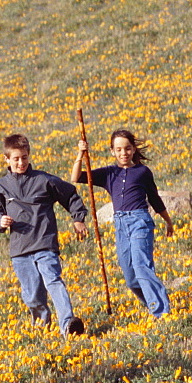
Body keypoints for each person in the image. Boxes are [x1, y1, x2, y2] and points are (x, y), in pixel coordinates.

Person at [0, 133, 88, 335]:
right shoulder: (2, 186)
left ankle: (68, 325)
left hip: (45, 243)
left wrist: (78, 219)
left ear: (29, 155)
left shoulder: (44, 180)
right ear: (6, 159)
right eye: (16, 159)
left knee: (54, 281)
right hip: (20, 250)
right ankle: (42, 327)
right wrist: (0, 221)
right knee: (32, 295)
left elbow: (70, 195)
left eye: (24, 157)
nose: (21, 162)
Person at [71, 129, 174, 318]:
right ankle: (152, 304)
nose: (123, 153)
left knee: (142, 266)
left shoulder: (142, 171)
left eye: (127, 149)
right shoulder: (109, 173)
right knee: (130, 277)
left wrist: (168, 222)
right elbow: (76, 178)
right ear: (112, 151)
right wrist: (80, 153)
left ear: (134, 149)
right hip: (120, 225)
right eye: (118, 150)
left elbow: (155, 199)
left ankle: (162, 312)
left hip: (140, 222)